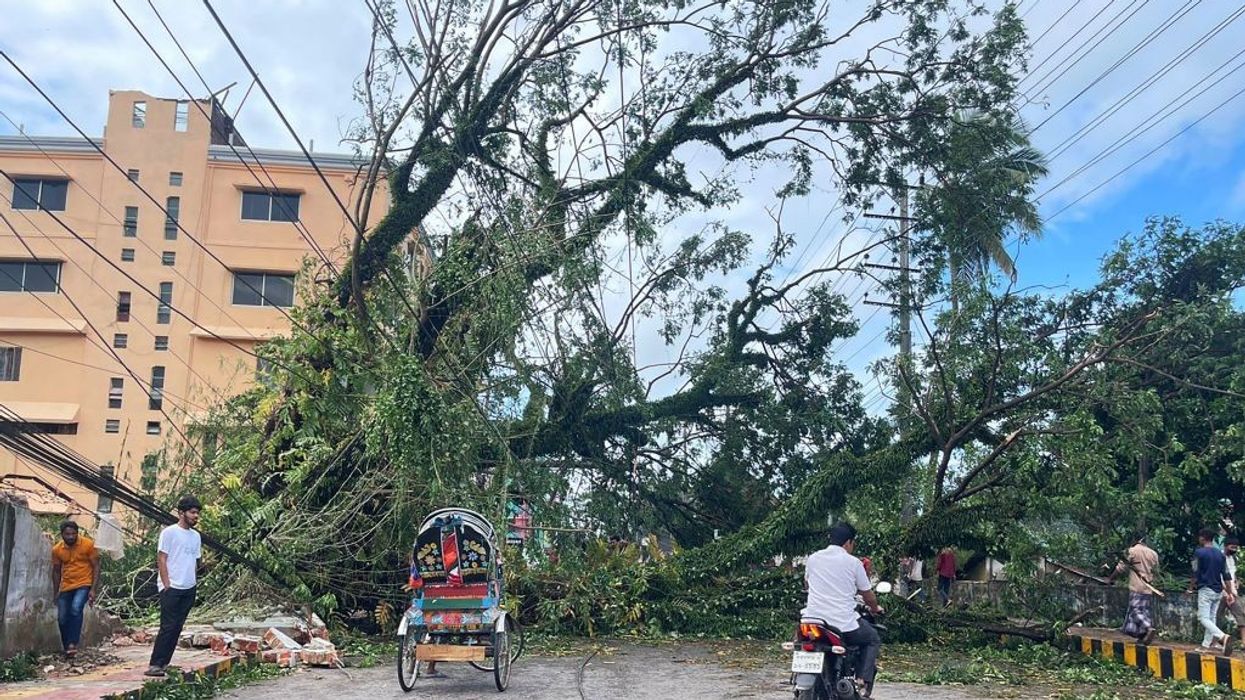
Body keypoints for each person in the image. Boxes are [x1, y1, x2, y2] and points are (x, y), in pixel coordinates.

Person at [801, 522, 883, 698]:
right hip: (841, 623)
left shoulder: (814, 558)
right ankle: (862, 680)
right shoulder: (853, 563)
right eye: (853, 543)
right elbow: (867, 594)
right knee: (872, 639)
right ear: (848, 543)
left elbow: (807, 584)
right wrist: (875, 608)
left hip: (811, 620)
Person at [145, 496, 203, 677]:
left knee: (178, 626)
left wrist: (193, 581)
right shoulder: (169, 533)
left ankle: (164, 663)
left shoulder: (196, 536)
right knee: (168, 626)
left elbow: (195, 560)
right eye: (192, 512)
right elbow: (162, 558)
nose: (196, 516)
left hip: (189, 587)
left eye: (197, 513)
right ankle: (155, 664)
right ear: (181, 513)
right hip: (171, 587)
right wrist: (166, 584)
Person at [51, 521, 100, 658]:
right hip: (66, 586)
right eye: (67, 534)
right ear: (62, 535)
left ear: (77, 533)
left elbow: (96, 567)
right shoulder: (57, 549)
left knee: (76, 608)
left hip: (84, 583)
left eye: (73, 534)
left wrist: (93, 589)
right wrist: (55, 592)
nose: (71, 537)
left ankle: (73, 643)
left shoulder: (88, 545)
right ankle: (67, 647)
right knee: (61, 618)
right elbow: (56, 571)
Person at [1106, 532, 1159, 644]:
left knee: (1135, 611)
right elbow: (1156, 572)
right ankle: (1142, 637)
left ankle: (1148, 628)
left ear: (1135, 540)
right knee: (1144, 612)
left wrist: (1111, 578)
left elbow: (1121, 568)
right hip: (1149, 587)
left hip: (1136, 586)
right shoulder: (1153, 554)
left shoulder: (1132, 551)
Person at [1190, 528, 1233, 654]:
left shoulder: (1199, 553)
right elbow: (1226, 575)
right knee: (1211, 617)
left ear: (1203, 537)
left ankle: (1223, 637)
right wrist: (1229, 593)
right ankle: (1205, 645)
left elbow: (1195, 571)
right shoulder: (1220, 554)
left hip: (1205, 589)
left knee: (1203, 618)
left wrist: (1190, 587)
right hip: (1218, 590)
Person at [1222, 537, 1245, 648]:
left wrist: (1236, 582)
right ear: (1226, 546)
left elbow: (1233, 574)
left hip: (1233, 592)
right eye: (1232, 547)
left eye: (1236, 548)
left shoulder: (1233, 559)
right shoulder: (1219, 557)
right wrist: (1227, 592)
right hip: (1221, 592)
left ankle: (1244, 643)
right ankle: (1214, 642)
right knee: (1215, 617)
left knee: (1241, 615)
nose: (1234, 550)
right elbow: (1219, 577)